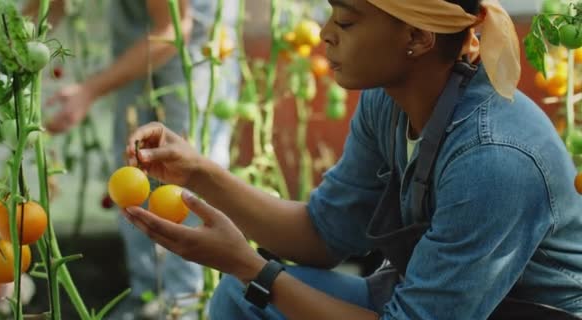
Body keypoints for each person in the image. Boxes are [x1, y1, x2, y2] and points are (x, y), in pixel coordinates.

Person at [119, 0, 582, 319]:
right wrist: (198, 172)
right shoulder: (389, 102)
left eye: (346, 22)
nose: (324, 34)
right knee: (244, 300)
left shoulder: (495, 159)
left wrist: (252, 267)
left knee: (255, 288)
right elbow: (321, 235)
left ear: (418, 36)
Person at [24, 0, 240, 319]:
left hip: (191, 61)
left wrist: (89, 90)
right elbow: (49, 5)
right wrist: (6, 45)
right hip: (139, 53)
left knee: (189, 189)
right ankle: (146, 298)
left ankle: (187, 305)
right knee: (131, 176)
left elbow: (171, 31)